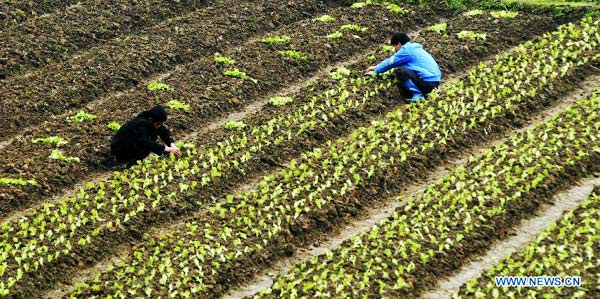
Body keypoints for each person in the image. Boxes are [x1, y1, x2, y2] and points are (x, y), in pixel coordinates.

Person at [365, 32, 441, 102]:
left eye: (394, 46)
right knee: (404, 67)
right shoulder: (413, 48)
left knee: (400, 71)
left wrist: (375, 71)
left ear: (399, 44)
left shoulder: (406, 51)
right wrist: (376, 66)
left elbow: (391, 62)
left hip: (428, 83)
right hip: (435, 82)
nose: (395, 49)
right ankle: (426, 92)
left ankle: (418, 95)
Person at [110, 105, 181, 168]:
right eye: (158, 123)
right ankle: (124, 161)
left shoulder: (152, 121)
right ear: (151, 120)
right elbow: (146, 142)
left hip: (132, 144)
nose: (160, 125)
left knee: (153, 136)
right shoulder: (140, 125)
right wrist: (166, 149)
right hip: (121, 148)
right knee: (146, 145)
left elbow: (163, 131)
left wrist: (172, 144)